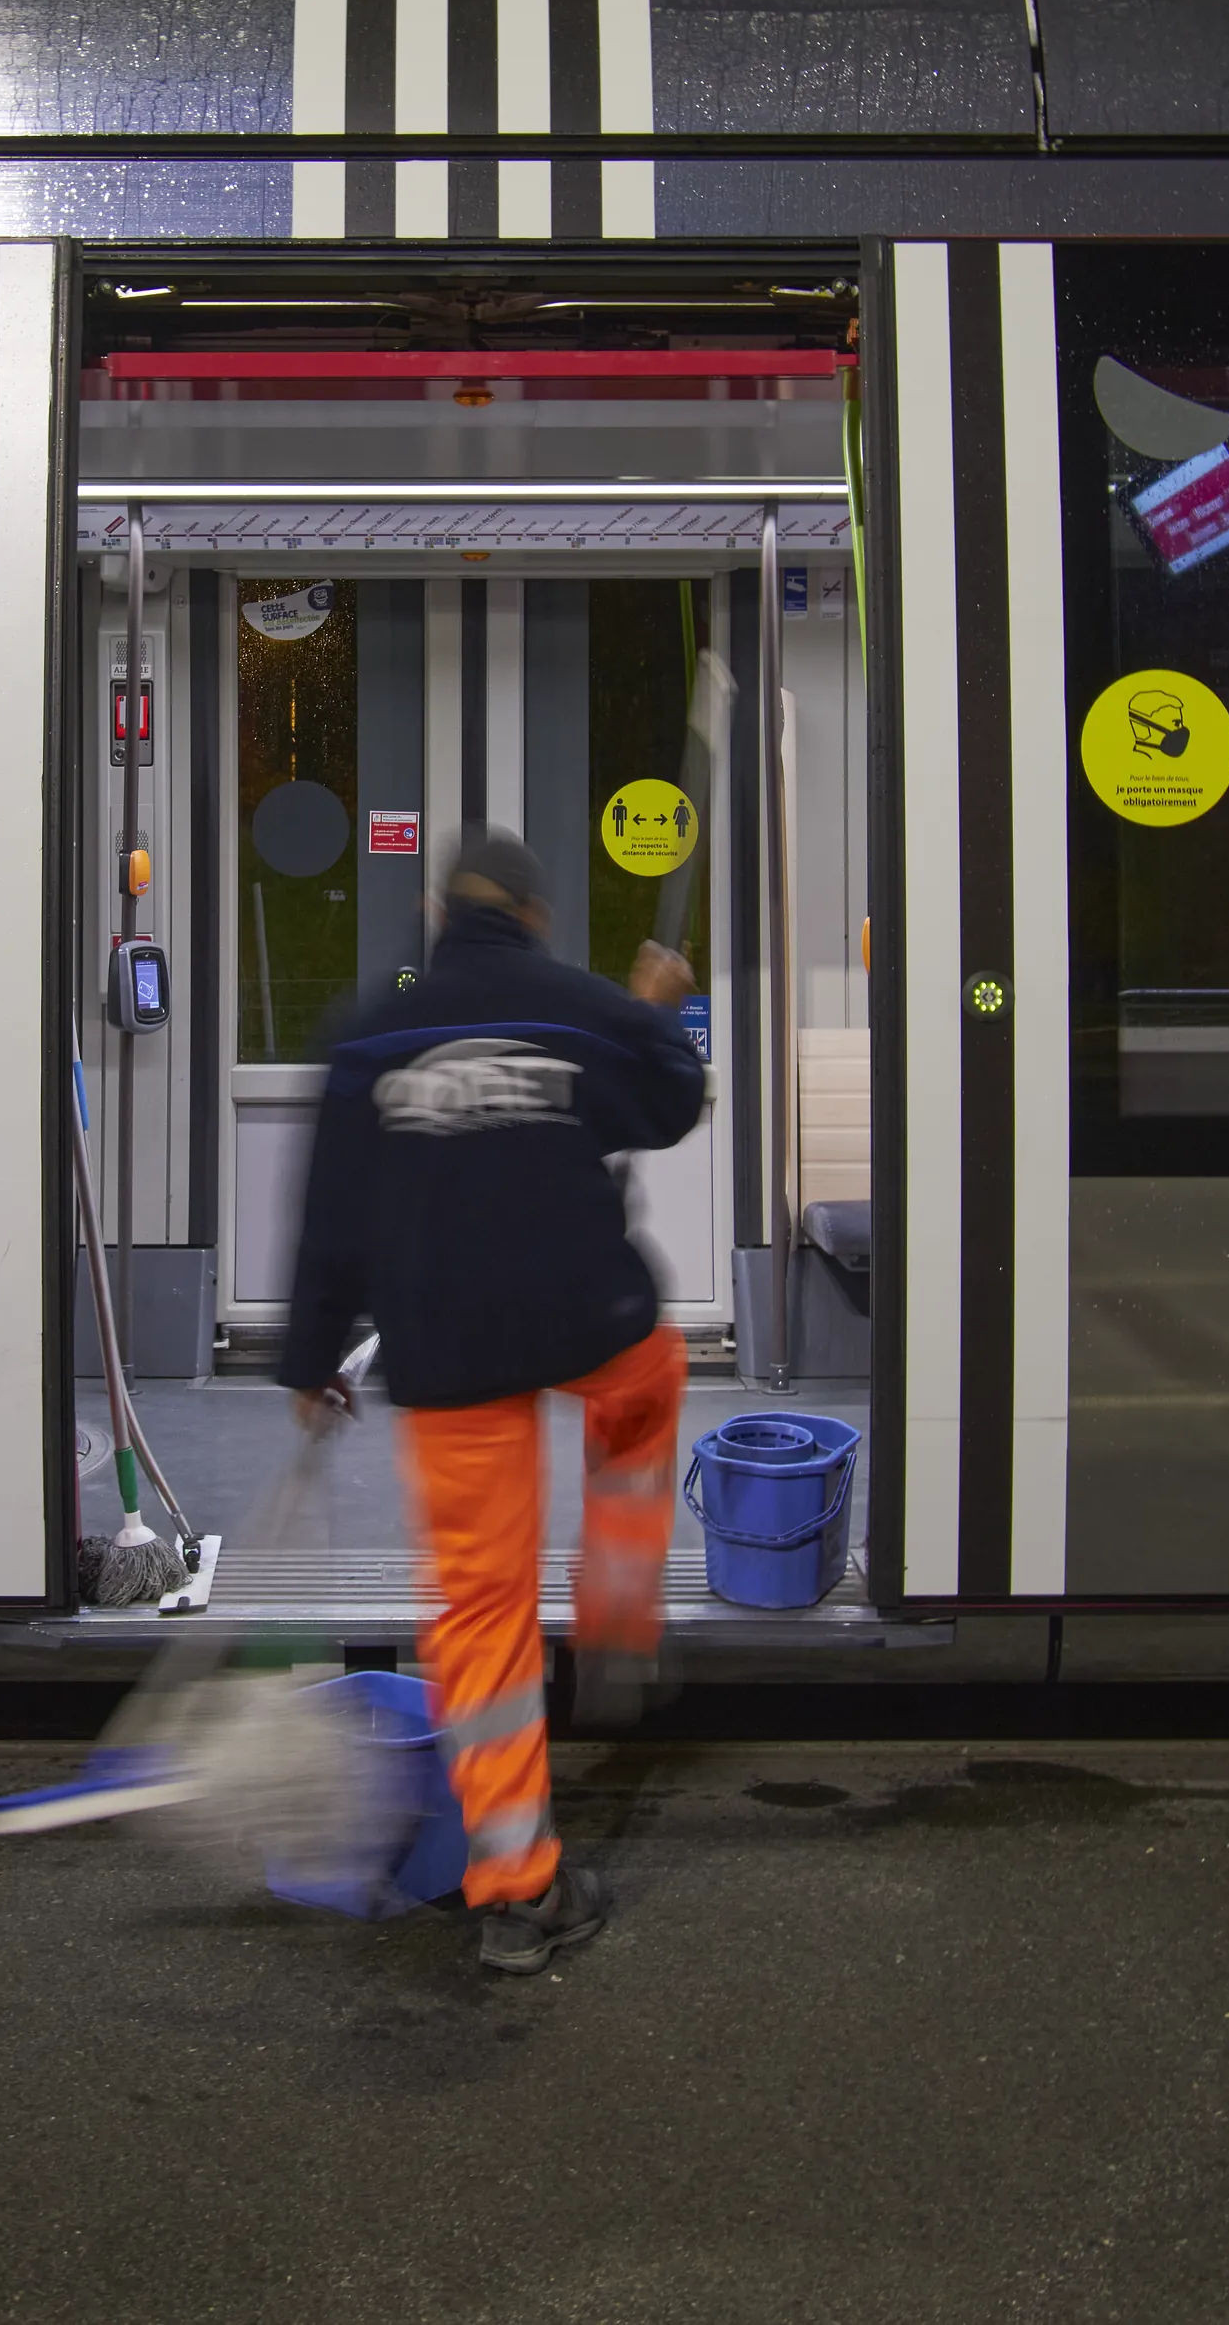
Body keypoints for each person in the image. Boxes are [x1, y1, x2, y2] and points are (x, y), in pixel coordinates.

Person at [278, 828, 704, 1975]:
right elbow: (669, 1099)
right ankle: (618, 1599)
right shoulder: (578, 1007)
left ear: (435, 907)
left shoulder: (372, 1032)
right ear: (536, 915)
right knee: (649, 1388)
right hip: (590, 1321)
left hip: (451, 1350)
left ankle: (518, 1888)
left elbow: (331, 1219)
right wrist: (653, 1006)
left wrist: (312, 1360)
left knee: (478, 1610)